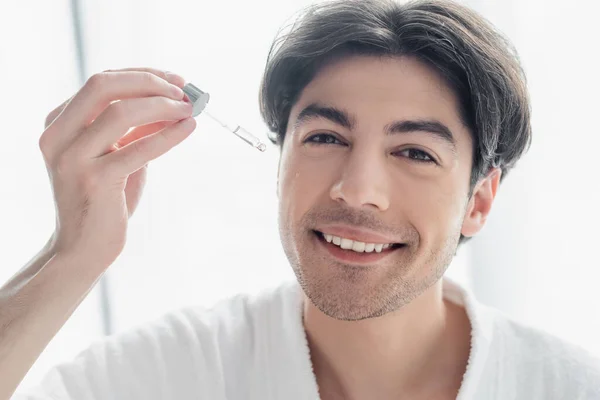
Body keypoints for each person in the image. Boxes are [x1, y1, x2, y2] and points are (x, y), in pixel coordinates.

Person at [3, 0, 600, 398]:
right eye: (325, 138)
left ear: (479, 201)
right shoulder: (167, 373)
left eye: (415, 152)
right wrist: (72, 257)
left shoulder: (568, 386)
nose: (357, 190)